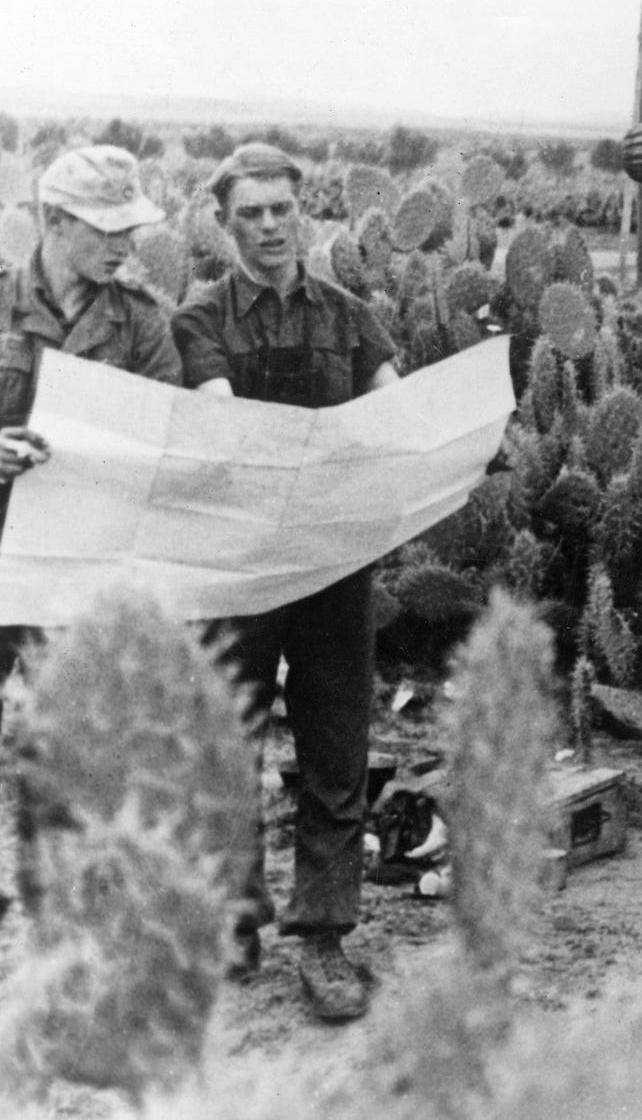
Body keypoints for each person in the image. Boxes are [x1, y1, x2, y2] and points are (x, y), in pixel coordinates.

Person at [172, 142, 399, 1023]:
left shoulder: (349, 315)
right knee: (228, 744)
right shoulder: (201, 318)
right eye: (248, 216)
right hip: (241, 565)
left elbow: (394, 405)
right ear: (225, 226)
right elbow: (222, 412)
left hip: (336, 565)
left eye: (279, 210)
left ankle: (324, 939)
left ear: (301, 211)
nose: (267, 228)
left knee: (336, 748)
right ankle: (234, 921)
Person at [0, 146, 180, 705]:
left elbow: (164, 438)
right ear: (54, 220)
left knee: (69, 739)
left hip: (78, 564)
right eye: (108, 229)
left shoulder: (142, 323)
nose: (125, 245)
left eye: (132, 229)